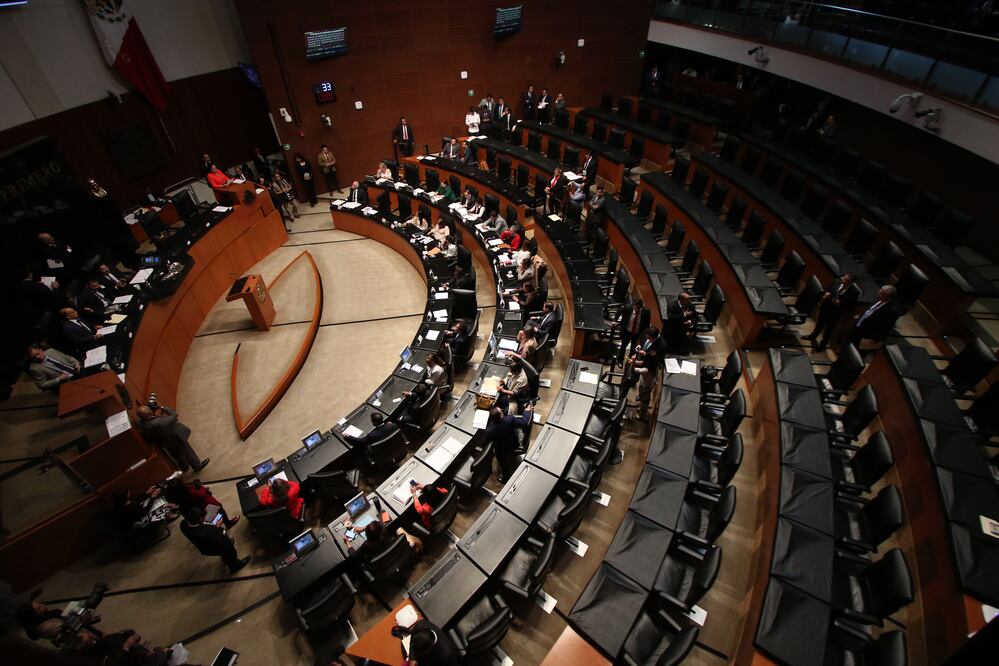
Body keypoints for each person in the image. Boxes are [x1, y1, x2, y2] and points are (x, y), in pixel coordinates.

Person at [136, 402, 209, 472]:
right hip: (175, 438)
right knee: (187, 451)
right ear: (150, 413)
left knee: (175, 454)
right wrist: (160, 407)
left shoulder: (141, 423)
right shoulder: (160, 423)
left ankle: (184, 466)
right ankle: (197, 466)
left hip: (164, 442)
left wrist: (150, 409)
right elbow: (174, 414)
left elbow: (143, 416)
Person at [180, 506, 250, 573]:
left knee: (224, 550)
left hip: (203, 545)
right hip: (214, 546)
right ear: (201, 519)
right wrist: (218, 527)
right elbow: (221, 536)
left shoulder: (183, 524)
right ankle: (235, 566)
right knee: (229, 550)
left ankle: (225, 557)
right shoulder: (209, 532)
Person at [804, 272, 859, 351]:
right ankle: (812, 336)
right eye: (844, 278)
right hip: (826, 306)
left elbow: (851, 306)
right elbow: (827, 289)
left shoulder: (854, 292)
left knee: (828, 330)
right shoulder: (836, 281)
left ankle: (823, 345)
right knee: (820, 323)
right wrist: (826, 293)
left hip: (835, 313)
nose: (844, 281)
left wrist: (841, 304)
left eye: (847, 281)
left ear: (851, 282)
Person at [484, 404, 534, 481]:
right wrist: (526, 412)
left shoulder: (490, 430)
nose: (502, 411)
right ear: (501, 415)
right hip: (514, 444)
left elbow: (487, 440)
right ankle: (506, 477)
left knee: (498, 454)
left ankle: (506, 477)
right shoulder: (510, 419)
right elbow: (524, 423)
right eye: (501, 411)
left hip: (502, 450)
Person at [164, 477, 239, 528]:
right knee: (219, 509)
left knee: (215, 511)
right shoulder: (189, 492)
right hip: (203, 511)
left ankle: (214, 525)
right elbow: (202, 494)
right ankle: (224, 525)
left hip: (194, 515)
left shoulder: (175, 496)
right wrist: (200, 486)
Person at [631, 326, 664, 422]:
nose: (647, 338)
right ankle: (641, 407)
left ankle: (642, 415)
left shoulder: (650, 365)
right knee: (641, 392)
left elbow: (642, 368)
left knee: (645, 398)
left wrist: (634, 365)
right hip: (644, 380)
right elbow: (643, 362)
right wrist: (636, 361)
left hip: (648, 381)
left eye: (649, 337)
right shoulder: (648, 360)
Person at [111, 486, 178, 531]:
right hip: (141, 522)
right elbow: (145, 512)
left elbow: (136, 499)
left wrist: (147, 493)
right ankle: (168, 514)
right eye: (127, 493)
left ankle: (169, 509)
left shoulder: (121, 504)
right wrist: (153, 497)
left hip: (138, 515)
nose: (129, 492)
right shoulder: (130, 507)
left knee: (156, 501)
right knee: (158, 502)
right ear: (124, 496)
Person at [617, 298, 651, 362]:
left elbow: (647, 325)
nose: (635, 310)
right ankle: (620, 360)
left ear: (641, 307)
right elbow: (619, 311)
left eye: (637, 308)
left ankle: (630, 361)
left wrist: (644, 336)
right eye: (635, 307)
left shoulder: (646, 312)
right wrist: (614, 320)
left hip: (637, 334)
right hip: (627, 331)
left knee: (634, 349)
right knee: (623, 346)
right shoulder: (628, 308)